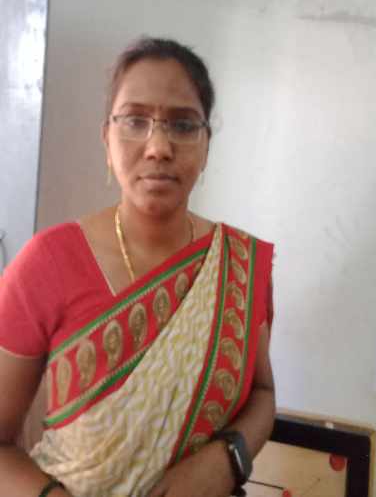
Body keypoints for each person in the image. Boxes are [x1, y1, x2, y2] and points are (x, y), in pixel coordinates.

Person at [0, 37, 275, 497]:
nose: (158, 147)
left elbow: (263, 395)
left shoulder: (239, 266)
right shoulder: (46, 263)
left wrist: (227, 459)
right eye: (134, 120)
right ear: (106, 140)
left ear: (206, 145)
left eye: (183, 124)